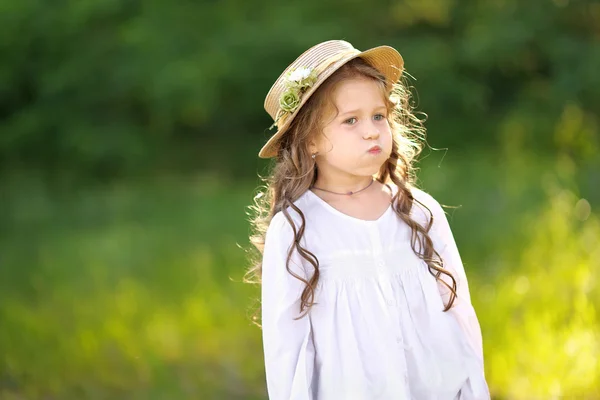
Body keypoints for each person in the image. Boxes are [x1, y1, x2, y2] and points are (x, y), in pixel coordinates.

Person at [246, 40, 490, 400]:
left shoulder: (418, 212)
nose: (372, 130)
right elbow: (288, 348)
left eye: (379, 115)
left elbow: (459, 312)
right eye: (351, 120)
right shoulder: (298, 227)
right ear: (310, 140)